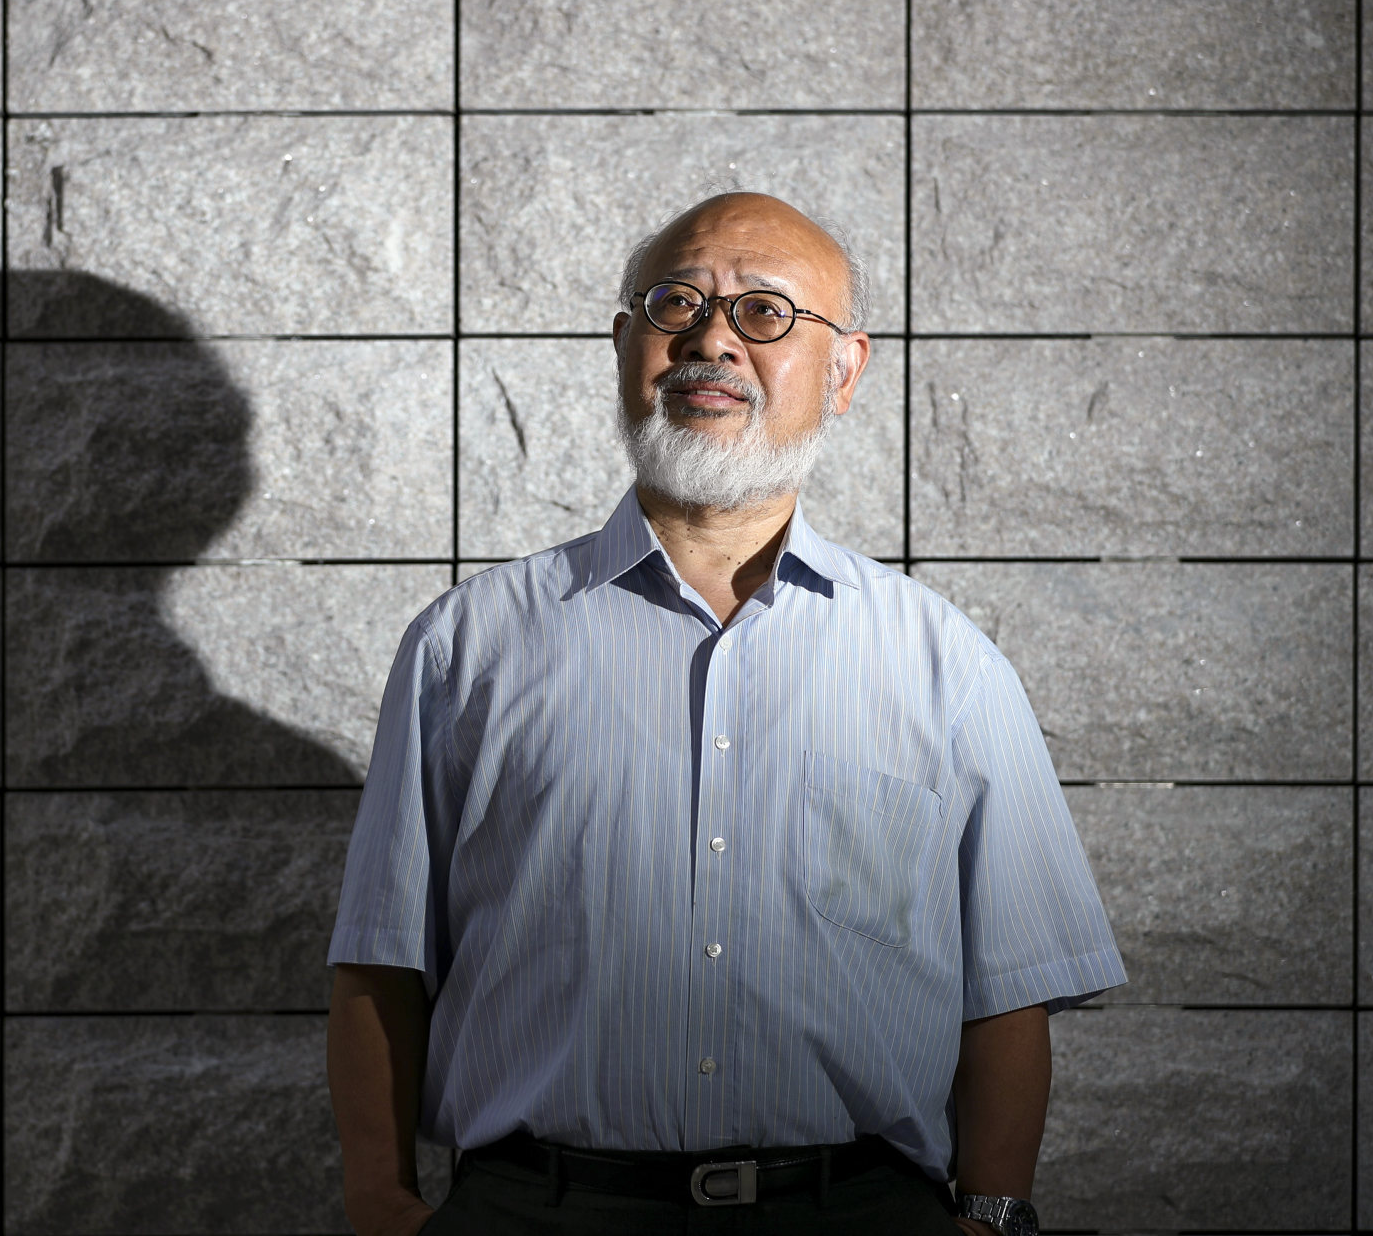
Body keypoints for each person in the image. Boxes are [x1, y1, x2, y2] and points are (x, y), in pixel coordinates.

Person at [325, 192, 1124, 1236]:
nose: (711, 339)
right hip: (537, 1210)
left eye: (764, 315)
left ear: (843, 372)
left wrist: (994, 1211)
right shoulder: (468, 645)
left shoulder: (945, 664)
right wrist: (379, 1203)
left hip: (856, 1214)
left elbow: (1008, 986)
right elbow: (383, 953)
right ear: (626, 344)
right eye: (677, 304)